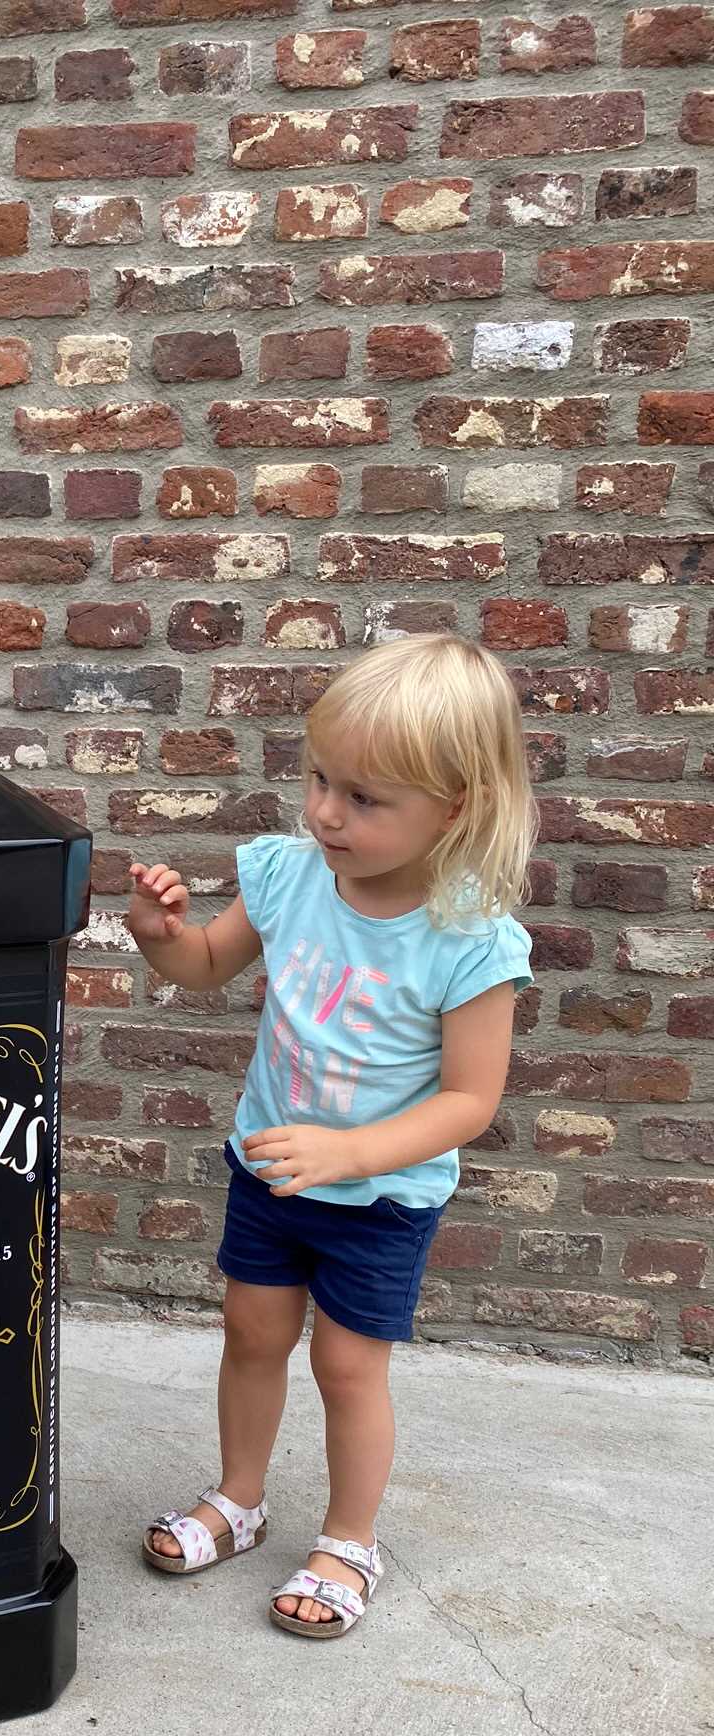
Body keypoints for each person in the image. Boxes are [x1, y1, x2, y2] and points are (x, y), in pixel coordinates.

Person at [127, 633, 536, 1639]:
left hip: (381, 1198)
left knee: (348, 1367)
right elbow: (209, 964)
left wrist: (352, 1154)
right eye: (320, 778)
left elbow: (470, 1099)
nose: (324, 811)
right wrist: (160, 934)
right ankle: (239, 1495)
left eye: (365, 797)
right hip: (269, 1168)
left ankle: (350, 1535)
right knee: (252, 1334)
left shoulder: (470, 938)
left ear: (458, 807)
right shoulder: (288, 875)